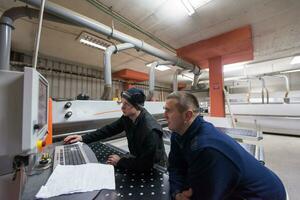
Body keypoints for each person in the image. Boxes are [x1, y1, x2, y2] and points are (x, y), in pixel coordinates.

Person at [164, 91, 286, 200]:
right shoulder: (178, 133)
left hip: (261, 194)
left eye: (168, 110)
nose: (164, 114)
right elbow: (175, 167)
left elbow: (206, 195)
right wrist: (177, 192)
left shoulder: (206, 148)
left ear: (187, 116)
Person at [64, 87, 167, 172]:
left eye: (126, 104)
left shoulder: (150, 130)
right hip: (138, 161)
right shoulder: (128, 118)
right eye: (122, 103)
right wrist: (82, 138)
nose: (122, 108)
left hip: (157, 169)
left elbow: (147, 164)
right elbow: (109, 129)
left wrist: (120, 162)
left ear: (136, 106)